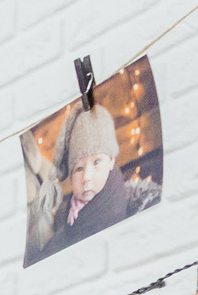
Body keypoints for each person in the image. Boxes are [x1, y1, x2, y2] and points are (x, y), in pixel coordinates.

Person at [39, 104, 132, 258]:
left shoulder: (115, 208)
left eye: (96, 162)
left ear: (110, 161)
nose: (86, 177)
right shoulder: (64, 218)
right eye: (79, 169)